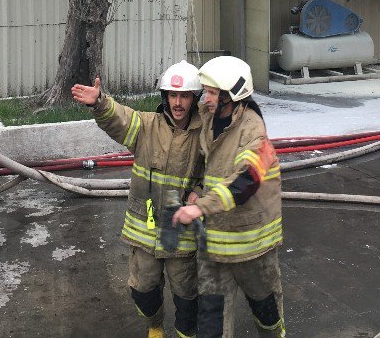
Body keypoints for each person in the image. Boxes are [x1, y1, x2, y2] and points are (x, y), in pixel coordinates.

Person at [72, 61, 205, 338]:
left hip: (180, 232)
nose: (178, 103)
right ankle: (155, 326)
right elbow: (119, 118)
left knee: (187, 297)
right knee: (142, 291)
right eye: (173, 95)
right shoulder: (146, 126)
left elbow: (218, 171)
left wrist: (200, 192)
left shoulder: (205, 135)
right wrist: (100, 103)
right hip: (144, 229)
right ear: (165, 97)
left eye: (185, 96)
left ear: (195, 98)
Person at [171, 56, 284, 338]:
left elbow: (246, 181)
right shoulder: (209, 119)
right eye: (206, 91)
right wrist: (196, 191)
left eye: (212, 92)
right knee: (211, 320)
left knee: (266, 312)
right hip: (214, 244)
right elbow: (206, 166)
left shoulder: (254, 131)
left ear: (231, 96)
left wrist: (201, 208)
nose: (205, 98)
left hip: (252, 245)